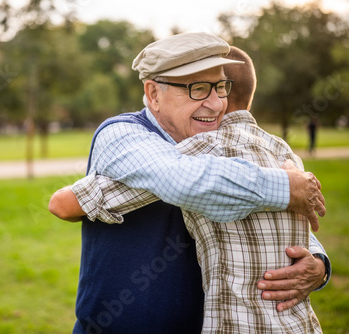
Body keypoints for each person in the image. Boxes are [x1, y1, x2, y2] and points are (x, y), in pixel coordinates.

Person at [49, 33, 328, 333]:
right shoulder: (121, 135)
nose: (216, 103)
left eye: (220, 87)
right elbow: (185, 179)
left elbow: (273, 218)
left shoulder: (223, 144)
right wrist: (288, 188)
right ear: (153, 94)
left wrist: (318, 262)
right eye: (197, 89)